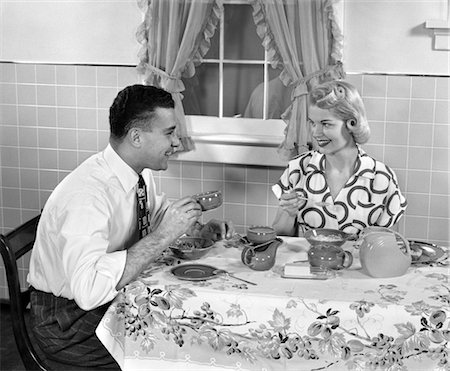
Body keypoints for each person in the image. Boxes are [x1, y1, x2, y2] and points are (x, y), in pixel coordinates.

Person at [27, 84, 234, 369]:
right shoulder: (87, 197)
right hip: (66, 324)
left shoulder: (135, 175)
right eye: (169, 132)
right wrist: (163, 236)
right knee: (176, 352)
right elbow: (89, 292)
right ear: (136, 137)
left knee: (193, 339)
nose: (177, 143)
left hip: (106, 305)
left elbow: (154, 214)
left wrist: (196, 230)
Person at [272, 80, 407, 236]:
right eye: (313, 123)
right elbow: (280, 238)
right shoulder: (299, 168)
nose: (316, 133)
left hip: (360, 261)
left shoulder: (381, 178)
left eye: (326, 124)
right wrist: (288, 213)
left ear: (352, 123)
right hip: (308, 260)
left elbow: (390, 245)